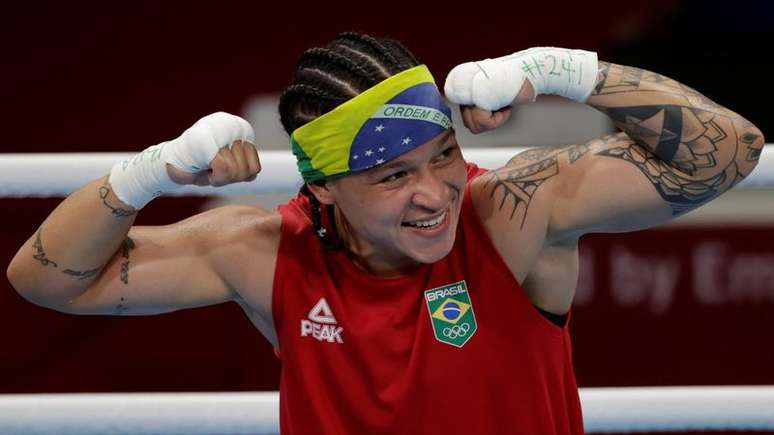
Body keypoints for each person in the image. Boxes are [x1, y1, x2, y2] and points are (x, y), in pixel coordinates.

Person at [6, 32, 764, 434]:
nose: (435, 193)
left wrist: (562, 70)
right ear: (324, 189)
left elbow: (733, 148)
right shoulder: (263, 250)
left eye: (442, 156)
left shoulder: (508, 213)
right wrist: (150, 174)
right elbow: (44, 279)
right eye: (393, 176)